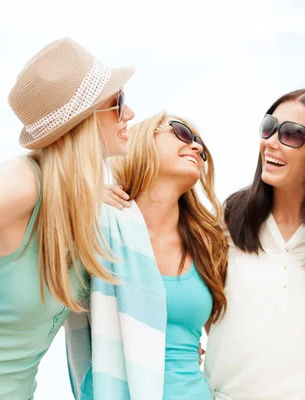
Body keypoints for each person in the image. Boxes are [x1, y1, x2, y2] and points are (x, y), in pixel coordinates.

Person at [0, 37, 136, 400]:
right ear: (83, 120)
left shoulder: (75, 202)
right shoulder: (19, 186)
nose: (129, 114)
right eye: (118, 102)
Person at [104, 89, 305, 398]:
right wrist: (92, 194)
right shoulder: (228, 222)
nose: (270, 141)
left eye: (291, 134)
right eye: (269, 128)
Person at [66, 112, 227, 399]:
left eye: (199, 143)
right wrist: (78, 197)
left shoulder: (208, 243)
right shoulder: (99, 226)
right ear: (142, 141)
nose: (198, 148)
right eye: (183, 133)